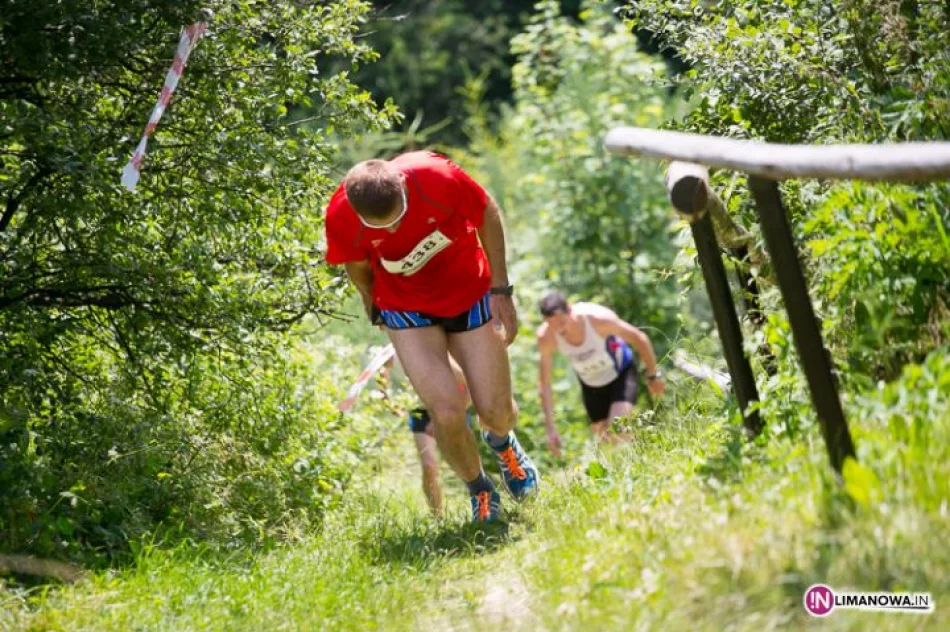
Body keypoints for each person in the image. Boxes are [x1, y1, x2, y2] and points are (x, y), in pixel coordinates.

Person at [324, 151, 539, 522]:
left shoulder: (437, 176)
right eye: (381, 227)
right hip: (406, 309)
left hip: (468, 292)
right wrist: (371, 303)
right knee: (446, 409)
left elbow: (487, 211)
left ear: (404, 189)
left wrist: (501, 289)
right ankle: (480, 489)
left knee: (496, 411)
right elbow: (356, 265)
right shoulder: (341, 215)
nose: (391, 232)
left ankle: (503, 445)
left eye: (397, 220)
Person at [536, 291, 666, 455]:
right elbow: (544, 383)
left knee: (617, 428)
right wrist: (550, 429)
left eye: (561, 322)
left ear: (569, 310)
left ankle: (647, 457)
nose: (559, 329)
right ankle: (642, 451)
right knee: (607, 441)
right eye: (552, 325)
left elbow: (639, 338)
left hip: (620, 373)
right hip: (591, 384)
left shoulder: (598, 319)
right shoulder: (545, 337)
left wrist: (654, 375)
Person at [379, 350, 473, 517]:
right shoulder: (392, 351)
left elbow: (464, 383)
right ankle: (437, 516)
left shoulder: (431, 343)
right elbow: (382, 375)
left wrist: (444, 417)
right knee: (428, 465)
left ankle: (480, 503)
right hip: (420, 412)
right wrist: (389, 402)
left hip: (450, 409)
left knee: (465, 463)